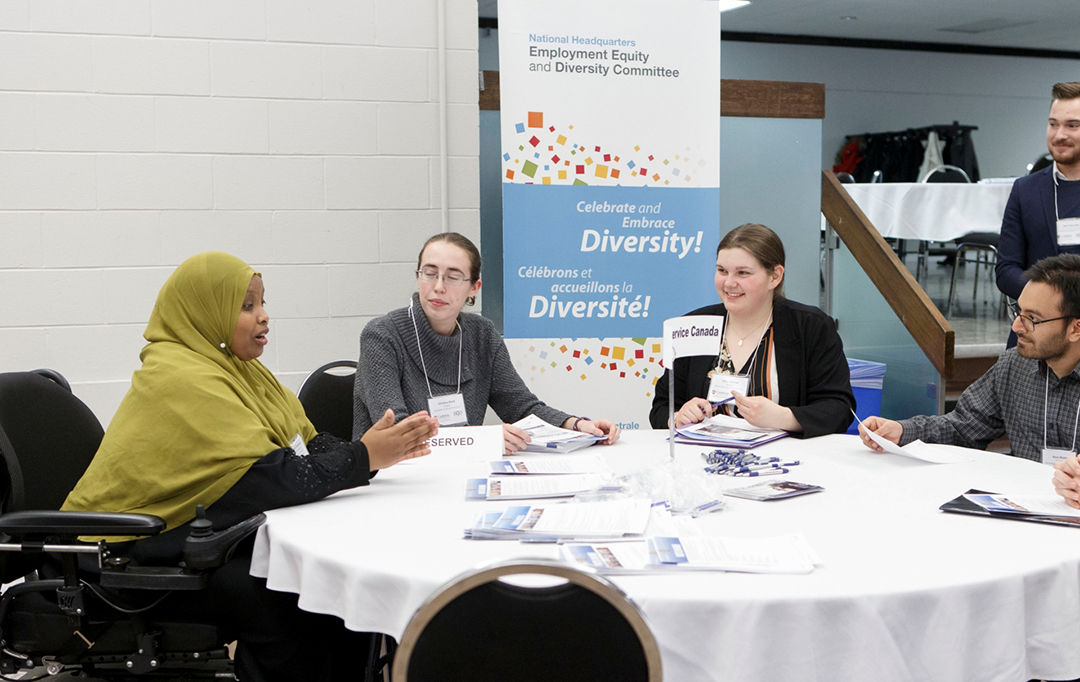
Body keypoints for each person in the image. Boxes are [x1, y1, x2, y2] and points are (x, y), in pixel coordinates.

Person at [61, 252, 439, 682]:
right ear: (206, 312)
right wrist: (364, 457)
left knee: (327, 587)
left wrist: (377, 451)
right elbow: (267, 478)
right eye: (247, 306)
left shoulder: (244, 373)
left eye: (262, 303)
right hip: (123, 555)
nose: (263, 317)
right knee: (293, 598)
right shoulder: (180, 377)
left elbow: (308, 447)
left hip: (190, 536)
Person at [354, 232, 621, 455]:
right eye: (429, 273)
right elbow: (395, 435)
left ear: (474, 287)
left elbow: (520, 407)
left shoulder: (482, 335)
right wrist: (481, 440)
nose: (438, 286)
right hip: (396, 482)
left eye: (453, 276)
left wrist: (575, 425)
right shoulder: (382, 336)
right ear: (418, 277)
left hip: (461, 473)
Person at [860, 254, 1080, 464]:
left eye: (1033, 319)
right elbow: (965, 427)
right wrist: (902, 430)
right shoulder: (1015, 366)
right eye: (1018, 311)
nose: (1016, 327)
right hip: (1025, 499)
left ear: (1075, 329)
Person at [649, 223, 856, 436]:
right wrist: (678, 417)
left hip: (783, 463)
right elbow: (661, 407)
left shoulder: (810, 326)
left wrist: (783, 417)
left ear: (775, 276)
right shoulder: (694, 325)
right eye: (722, 271)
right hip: (703, 460)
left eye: (743, 273)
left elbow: (839, 409)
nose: (729, 283)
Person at [997, 82, 1080, 347]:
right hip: (1034, 332)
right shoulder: (1026, 189)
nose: (1059, 134)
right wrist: (1049, 300)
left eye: (1072, 125)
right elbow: (1005, 268)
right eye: (1053, 124)